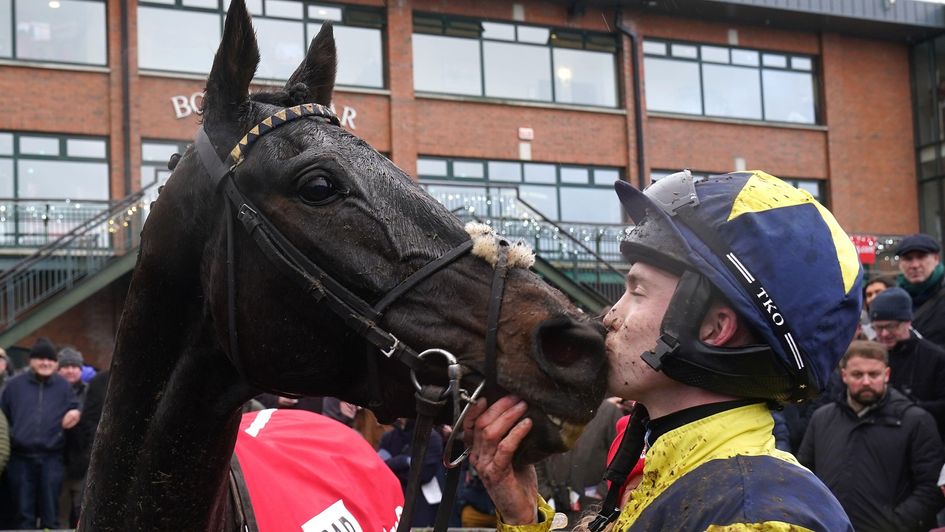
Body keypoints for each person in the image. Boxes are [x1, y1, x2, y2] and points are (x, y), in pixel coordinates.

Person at [463, 170, 861, 530]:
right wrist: (523, 515)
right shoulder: (679, 476)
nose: (610, 316)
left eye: (636, 291)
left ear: (715, 328)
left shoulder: (753, 516)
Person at [797, 340, 945, 532]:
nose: (866, 381)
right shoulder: (822, 419)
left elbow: (931, 489)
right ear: (844, 375)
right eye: (858, 374)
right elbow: (804, 476)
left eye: (873, 374)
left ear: (887, 375)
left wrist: (893, 524)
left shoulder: (915, 420)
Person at [0, 337, 79, 529]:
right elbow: (3, 416)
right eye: (40, 358)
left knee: (51, 512)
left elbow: (75, 407)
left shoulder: (63, 386)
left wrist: (76, 411)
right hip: (20, 458)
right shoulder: (13, 386)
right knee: (22, 512)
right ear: (31, 361)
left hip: (52, 457)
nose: (45, 363)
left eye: (50, 360)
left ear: (55, 363)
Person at [869, 286, 945, 437]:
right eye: (878, 327)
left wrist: (911, 407)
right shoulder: (867, 354)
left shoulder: (935, 358)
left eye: (891, 326)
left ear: (908, 322)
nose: (884, 333)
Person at [536, 398, 623, 523]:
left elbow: (621, 455)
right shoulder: (545, 410)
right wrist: (545, 494)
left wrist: (602, 491)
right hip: (554, 509)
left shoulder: (608, 412)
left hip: (594, 509)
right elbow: (534, 457)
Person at [378, 418, 444, 527]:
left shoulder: (431, 438)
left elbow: (424, 474)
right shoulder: (389, 438)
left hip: (422, 503)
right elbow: (381, 469)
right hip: (393, 501)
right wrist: (404, 461)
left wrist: (393, 466)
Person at [55, 347, 88, 528]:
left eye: (74, 366)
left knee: (81, 512)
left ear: (81, 369)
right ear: (58, 369)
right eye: (65, 366)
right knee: (59, 512)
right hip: (56, 461)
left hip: (82, 462)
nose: (70, 370)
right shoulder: (52, 392)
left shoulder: (90, 392)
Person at [896, 233, 945, 346]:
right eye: (908, 259)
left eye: (921, 257)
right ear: (900, 264)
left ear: (936, 259)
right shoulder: (894, 298)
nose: (915, 265)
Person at [860, 275, 895, 341]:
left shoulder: (905, 326)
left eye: (878, 292)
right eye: (869, 295)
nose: (873, 298)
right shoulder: (861, 331)